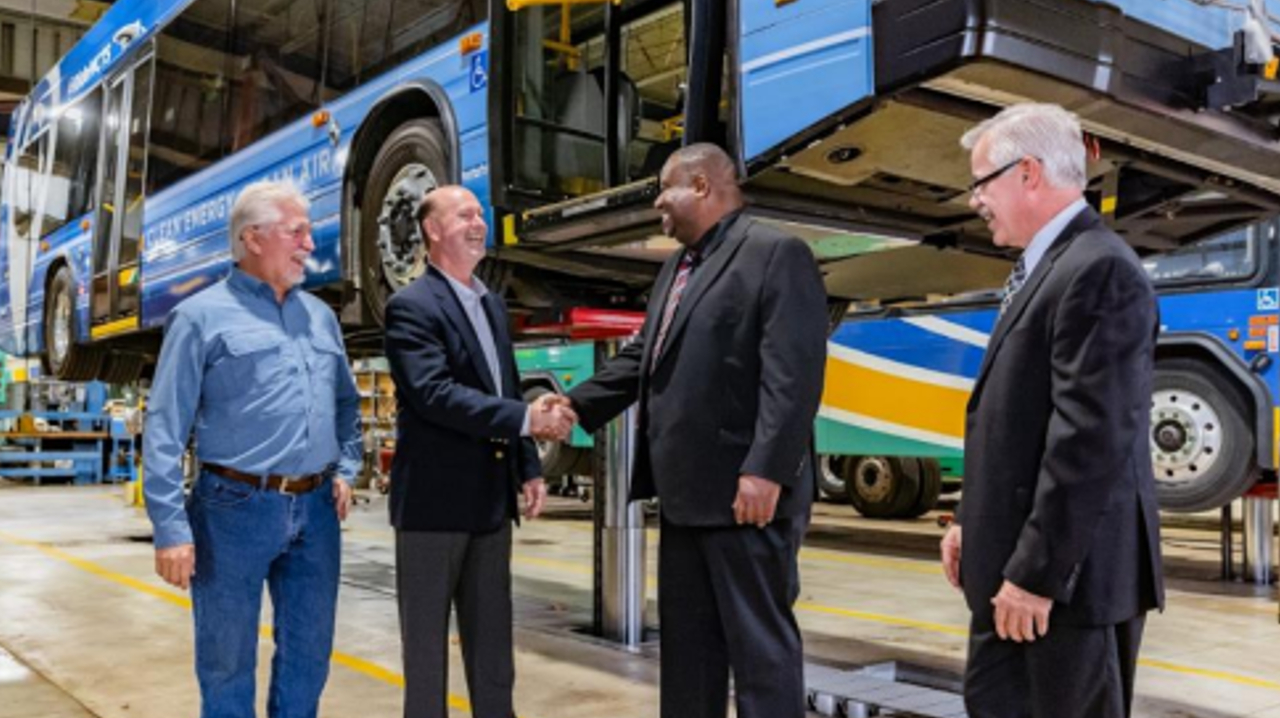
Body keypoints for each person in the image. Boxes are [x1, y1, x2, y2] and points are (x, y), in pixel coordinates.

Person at [559, 143, 828, 718]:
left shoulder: (776, 254)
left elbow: (794, 375)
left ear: (702, 186)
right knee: (688, 656)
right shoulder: (677, 270)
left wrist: (766, 469)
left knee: (761, 656)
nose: (657, 201)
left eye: (665, 187)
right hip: (684, 501)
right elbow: (643, 361)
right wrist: (571, 409)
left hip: (745, 498)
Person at [940, 104, 1165, 718]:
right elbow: (1018, 422)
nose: (975, 199)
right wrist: (971, 519)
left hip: (1064, 587)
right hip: (1016, 570)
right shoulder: (1052, 266)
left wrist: (1036, 576)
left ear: (1028, 173)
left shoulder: (1099, 270)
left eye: (982, 181)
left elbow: (1087, 441)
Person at [144, 180, 361, 718]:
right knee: (226, 661)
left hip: (315, 511)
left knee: (309, 656)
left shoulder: (320, 317)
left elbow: (346, 405)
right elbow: (165, 427)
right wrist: (171, 529)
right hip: (232, 510)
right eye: (297, 232)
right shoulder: (200, 318)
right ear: (253, 238)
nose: (311, 244)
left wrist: (348, 468)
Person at [383, 185, 570, 718]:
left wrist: (527, 466)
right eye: (464, 214)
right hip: (432, 510)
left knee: (493, 649)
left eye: (480, 214)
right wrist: (528, 419)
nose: (478, 222)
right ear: (433, 230)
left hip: (490, 505)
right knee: (426, 657)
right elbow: (434, 394)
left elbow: (504, 387)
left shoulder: (488, 303)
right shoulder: (411, 306)